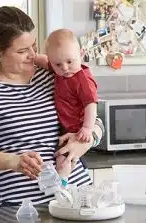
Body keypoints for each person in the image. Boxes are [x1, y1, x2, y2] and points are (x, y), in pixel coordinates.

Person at [0, 6, 104, 207]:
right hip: (22, 209)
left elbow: (95, 120)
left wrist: (86, 142)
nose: (32, 55)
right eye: (22, 51)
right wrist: (14, 161)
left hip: (76, 200)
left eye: (34, 46)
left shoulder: (52, 75)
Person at [35, 29, 98, 185]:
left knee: (62, 161)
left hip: (77, 129)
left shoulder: (82, 79)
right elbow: (45, 62)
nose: (64, 68)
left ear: (81, 54)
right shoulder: (59, 70)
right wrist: (33, 57)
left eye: (70, 61)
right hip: (65, 127)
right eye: (58, 64)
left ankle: (62, 183)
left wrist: (87, 129)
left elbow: (91, 104)